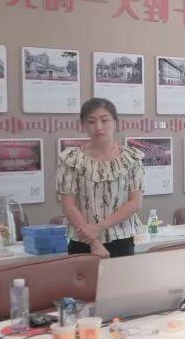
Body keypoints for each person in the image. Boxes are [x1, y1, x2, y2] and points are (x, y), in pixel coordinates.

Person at [56, 98, 144, 258]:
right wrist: (94, 243)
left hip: (122, 240)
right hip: (82, 241)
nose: (98, 127)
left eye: (104, 120)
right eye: (91, 121)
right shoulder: (71, 159)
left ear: (115, 122)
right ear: (83, 125)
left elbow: (135, 203)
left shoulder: (132, 158)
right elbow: (69, 207)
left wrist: (98, 227)